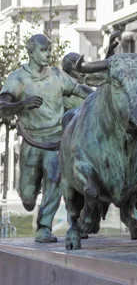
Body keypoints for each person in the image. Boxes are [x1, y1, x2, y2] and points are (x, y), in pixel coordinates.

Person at [0, 34, 92, 242]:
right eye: (43, 50)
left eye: (50, 49)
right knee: (28, 197)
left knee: (54, 181)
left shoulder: (58, 76)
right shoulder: (17, 78)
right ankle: (29, 200)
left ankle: (43, 227)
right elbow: (2, 108)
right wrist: (21, 105)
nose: (48, 54)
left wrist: (98, 98)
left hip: (56, 141)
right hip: (31, 142)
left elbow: (79, 90)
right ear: (30, 52)